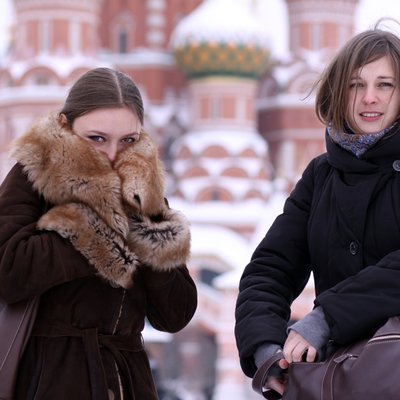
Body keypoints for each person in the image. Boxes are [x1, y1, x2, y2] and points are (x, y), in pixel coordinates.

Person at [0, 67, 197, 399]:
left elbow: (175, 314)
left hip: (127, 380)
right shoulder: (34, 173)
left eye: (128, 141)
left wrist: (148, 235)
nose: (112, 154)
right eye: (97, 138)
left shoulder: (143, 191)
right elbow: (9, 271)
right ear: (65, 126)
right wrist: (93, 228)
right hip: (50, 377)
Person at [235, 23, 400, 396]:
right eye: (356, 85)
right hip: (340, 378)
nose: (369, 98)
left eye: (384, 84)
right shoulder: (322, 175)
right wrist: (263, 347)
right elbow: (271, 267)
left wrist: (327, 316)